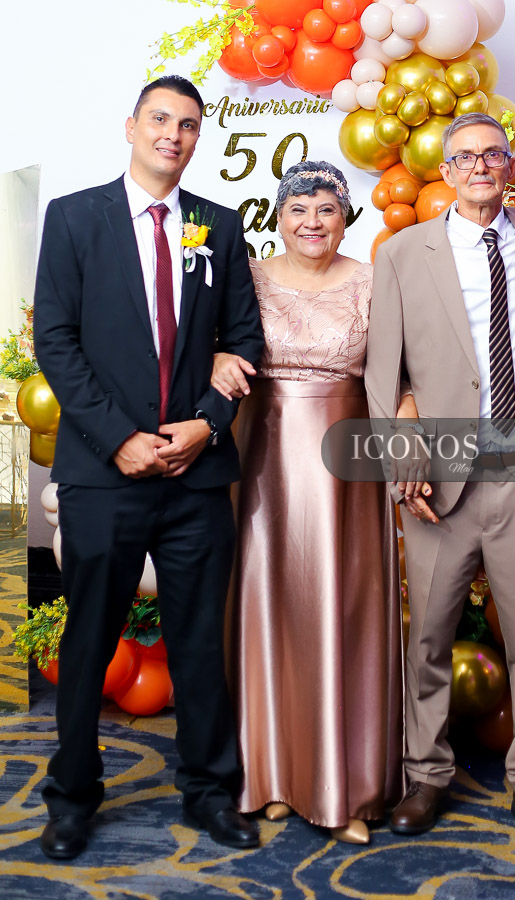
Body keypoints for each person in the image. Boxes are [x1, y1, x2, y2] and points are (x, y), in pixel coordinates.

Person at [33, 75, 265, 860]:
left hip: (196, 478)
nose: (174, 133)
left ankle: (209, 791)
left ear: (199, 139)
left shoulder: (219, 227)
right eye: (161, 119)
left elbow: (244, 341)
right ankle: (71, 795)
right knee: (90, 641)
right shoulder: (73, 219)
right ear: (131, 126)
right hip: (106, 475)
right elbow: (56, 342)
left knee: (201, 640)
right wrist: (119, 439)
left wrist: (206, 425)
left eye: (189, 124)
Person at [364, 112, 515, 842]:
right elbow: (381, 372)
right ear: (445, 172)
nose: (480, 165)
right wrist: (402, 460)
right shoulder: (400, 253)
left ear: (511, 167)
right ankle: (425, 777)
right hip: (436, 479)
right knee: (426, 637)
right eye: (465, 157)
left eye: (493, 154)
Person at [211, 161, 403, 845]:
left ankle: (346, 786)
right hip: (262, 455)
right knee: (267, 605)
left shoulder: (376, 278)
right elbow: (217, 347)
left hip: (348, 464)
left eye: (326, 209)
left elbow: (400, 368)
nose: (312, 222)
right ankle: (271, 776)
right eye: (299, 210)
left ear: (346, 215)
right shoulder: (250, 277)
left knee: (343, 609)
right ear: (278, 216)